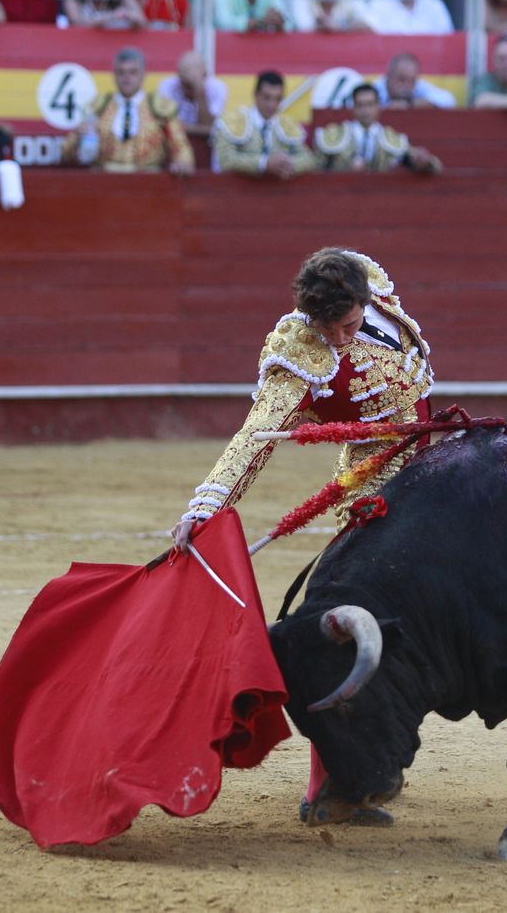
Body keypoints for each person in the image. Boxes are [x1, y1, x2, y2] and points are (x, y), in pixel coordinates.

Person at [169, 246, 434, 826]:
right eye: (330, 328)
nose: (341, 340)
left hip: (433, 466)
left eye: (350, 325)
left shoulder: (375, 289)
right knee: (358, 627)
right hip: (375, 490)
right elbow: (255, 438)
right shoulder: (299, 357)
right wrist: (207, 506)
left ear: (366, 301)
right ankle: (329, 788)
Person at [62, 47, 193, 173]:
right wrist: (77, 140)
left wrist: (183, 162)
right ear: (114, 74)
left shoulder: (158, 107)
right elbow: (66, 154)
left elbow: (180, 144)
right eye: (121, 72)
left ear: (143, 74)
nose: (127, 78)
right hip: (104, 179)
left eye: (133, 72)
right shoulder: (98, 106)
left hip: (148, 181)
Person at [316, 83, 441, 174]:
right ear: (352, 108)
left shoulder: (390, 137)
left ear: (378, 107)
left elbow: (429, 164)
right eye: (360, 105)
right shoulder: (335, 134)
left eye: (370, 105)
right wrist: (346, 171)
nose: (366, 111)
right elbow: (316, 168)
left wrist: (427, 162)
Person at [211, 70, 316, 178]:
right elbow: (225, 160)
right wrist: (263, 164)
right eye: (267, 97)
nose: (272, 104)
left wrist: (286, 165)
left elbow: (308, 159)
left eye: (277, 99)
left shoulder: (286, 125)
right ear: (256, 95)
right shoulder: (234, 121)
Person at [156, 49, 226, 138]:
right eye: (183, 74)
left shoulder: (217, 88)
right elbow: (165, 126)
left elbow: (209, 127)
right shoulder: (167, 86)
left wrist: (199, 90)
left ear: (205, 75)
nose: (187, 80)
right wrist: (201, 130)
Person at [375, 51, 455, 109]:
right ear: (389, 76)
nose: (406, 85)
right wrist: (387, 106)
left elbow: (449, 99)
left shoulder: (418, 85)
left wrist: (410, 104)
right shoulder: (376, 88)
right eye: (401, 79)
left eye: (412, 81)